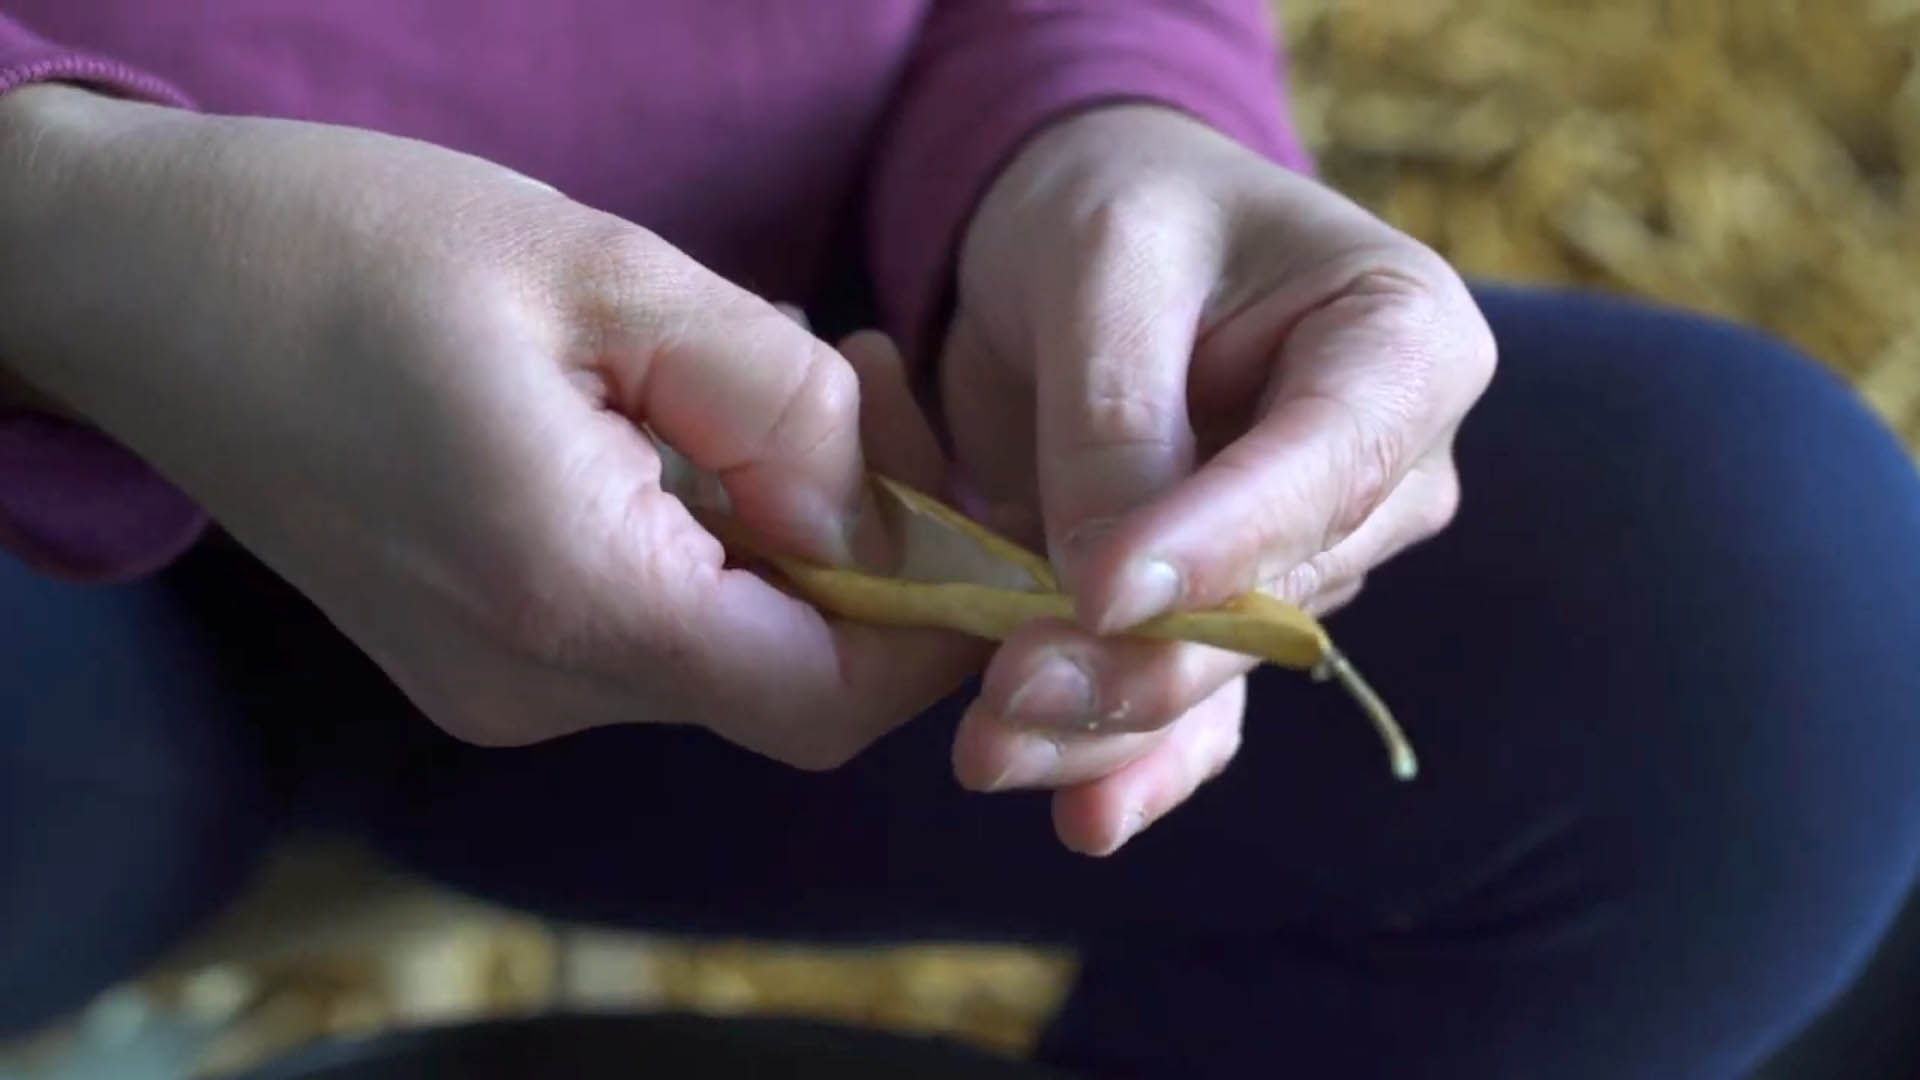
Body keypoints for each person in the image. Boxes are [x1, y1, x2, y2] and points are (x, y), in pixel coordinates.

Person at [2, 2, 1917, 1076]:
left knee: (1764, 631)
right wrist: (65, 218)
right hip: (61, 451)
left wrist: (1108, 118)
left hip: (830, 362)